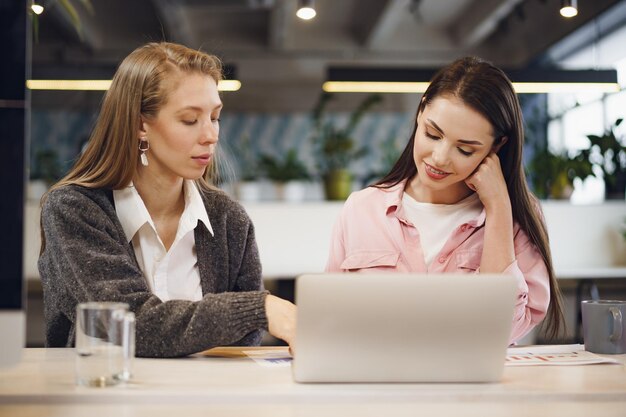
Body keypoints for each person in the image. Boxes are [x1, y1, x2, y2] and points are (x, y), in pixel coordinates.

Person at [38, 42, 296, 358]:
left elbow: (242, 347)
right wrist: (257, 308)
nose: (211, 135)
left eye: (214, 117)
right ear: (140, 125)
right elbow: (128, 324)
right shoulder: (74, 210)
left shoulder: (229, 219)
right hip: (104, 403)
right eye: (190, 120)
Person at [326, 56, 564, 343]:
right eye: (432, 134)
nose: (439, 158)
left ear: (497, 146)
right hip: (376, 382)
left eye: (464, 150)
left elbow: (502, 330)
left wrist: (499, 208)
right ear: (421, 110)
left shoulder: (519, 218)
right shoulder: (362, 209)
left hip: (473, 386)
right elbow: (331, 316)